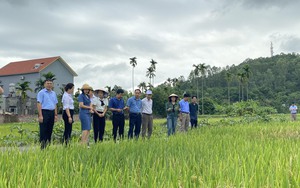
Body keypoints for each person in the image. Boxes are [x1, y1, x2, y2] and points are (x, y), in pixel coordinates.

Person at [37, 79, 58, 149]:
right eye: (47, 83)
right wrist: (40, 115)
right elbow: (39, 104)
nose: (49, 85)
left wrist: (55, 115)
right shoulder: (41, 93)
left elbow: (55, 104)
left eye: (50, 83)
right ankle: (42, 147)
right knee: (43, 130)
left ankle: (48, 145)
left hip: (52, 112)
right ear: (44, 84)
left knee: (50, 129)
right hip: (44, 112)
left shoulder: (53, 93)